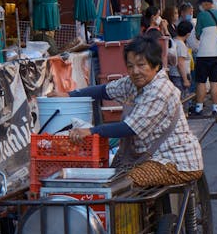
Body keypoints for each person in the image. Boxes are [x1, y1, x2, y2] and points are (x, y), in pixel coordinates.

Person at [68, 35, 203, 188]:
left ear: (156, 66)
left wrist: (91, 131)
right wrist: (69, 95)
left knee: (123, 184)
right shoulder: (133, 83)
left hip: (176, 160)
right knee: (110, 176)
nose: (135, 71)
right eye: (130, 66)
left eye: (141, 65)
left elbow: (129, 128)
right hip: (149, 156)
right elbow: (104, 90)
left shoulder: (160, 89)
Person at [191, 0, 217, 117]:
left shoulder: (202, 15)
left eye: (201, 5)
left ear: (206, 4)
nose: (200, 7)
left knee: (201, 82)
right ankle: (215, 109)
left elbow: (197, 35)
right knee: (214, 82)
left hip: (204, 54)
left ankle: (199, 108)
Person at [169, 19, 194, 95]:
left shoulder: (174, 41)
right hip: (179, 77)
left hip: (174, 75)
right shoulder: (181, 45)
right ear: (188, 33)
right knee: (183, 99)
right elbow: (180, 64)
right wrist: (185, 80)